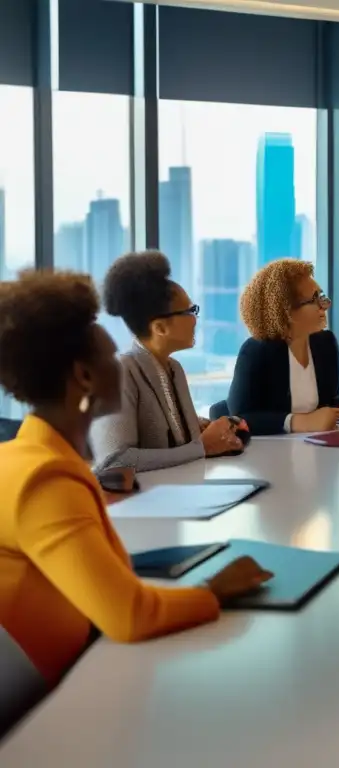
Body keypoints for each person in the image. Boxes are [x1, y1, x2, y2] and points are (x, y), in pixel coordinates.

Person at [0, 270, 272, 686]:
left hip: (83, 651)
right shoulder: (46, 480)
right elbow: (130, 616)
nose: (122, 366)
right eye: (110, 359)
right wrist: (214, 589)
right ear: (85, 378)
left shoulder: (28, 456)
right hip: (62, 691)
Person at [90, 251, 242, 472]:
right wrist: (203, 447)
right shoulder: (121, 373)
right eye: (190, 311)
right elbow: (114, 461)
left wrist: (203, 428)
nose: (195, 319)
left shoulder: (174, 369)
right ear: (160, 328)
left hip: (183, 492)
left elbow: (177, 443)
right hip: (145, 503)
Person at [228, 258, 339, 436]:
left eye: (322, 296)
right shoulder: (256, 350)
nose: (325, 305)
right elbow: (239, 417)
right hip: (269, 456)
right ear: (285, 311)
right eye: (315, 299)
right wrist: (299, 422)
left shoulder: (326, 343)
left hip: (318, 448)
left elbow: (330, 406)